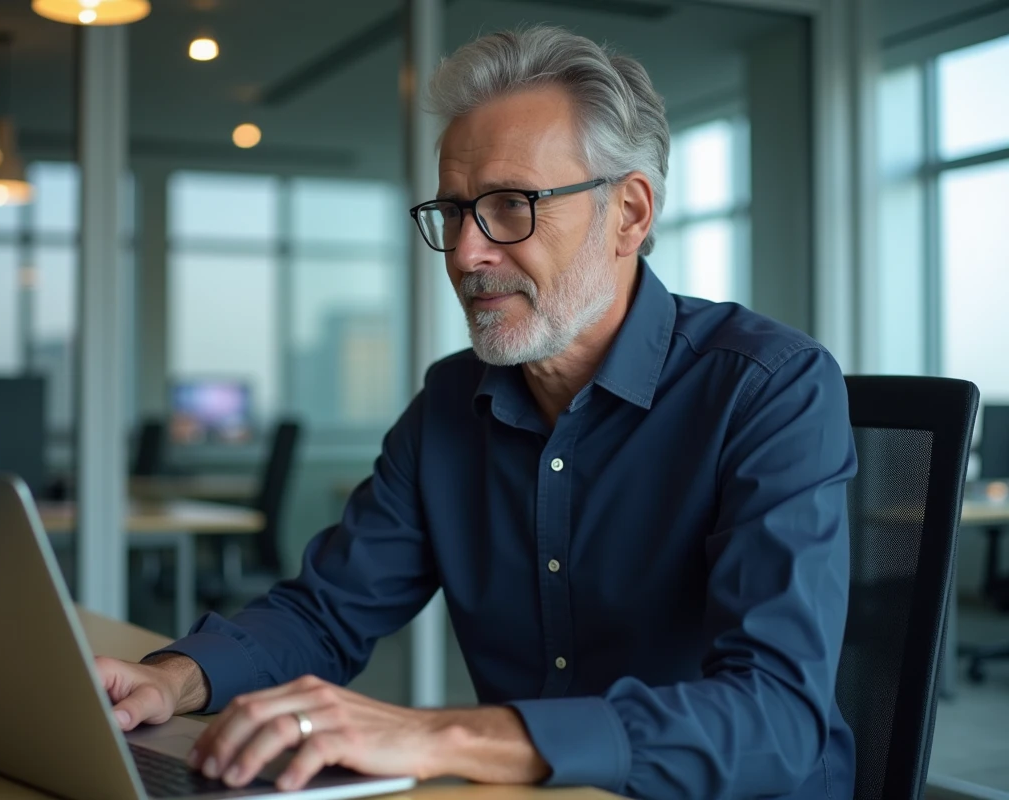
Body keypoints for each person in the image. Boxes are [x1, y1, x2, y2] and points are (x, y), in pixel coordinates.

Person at [95, 25, 856, 800]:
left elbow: (777, 715)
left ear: (628, 213)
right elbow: (327, 613)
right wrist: (173, 680)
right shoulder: (451, 405)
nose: (465, 253)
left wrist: (440, 733)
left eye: (510, 206)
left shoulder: (770, 390)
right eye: (454, 212)